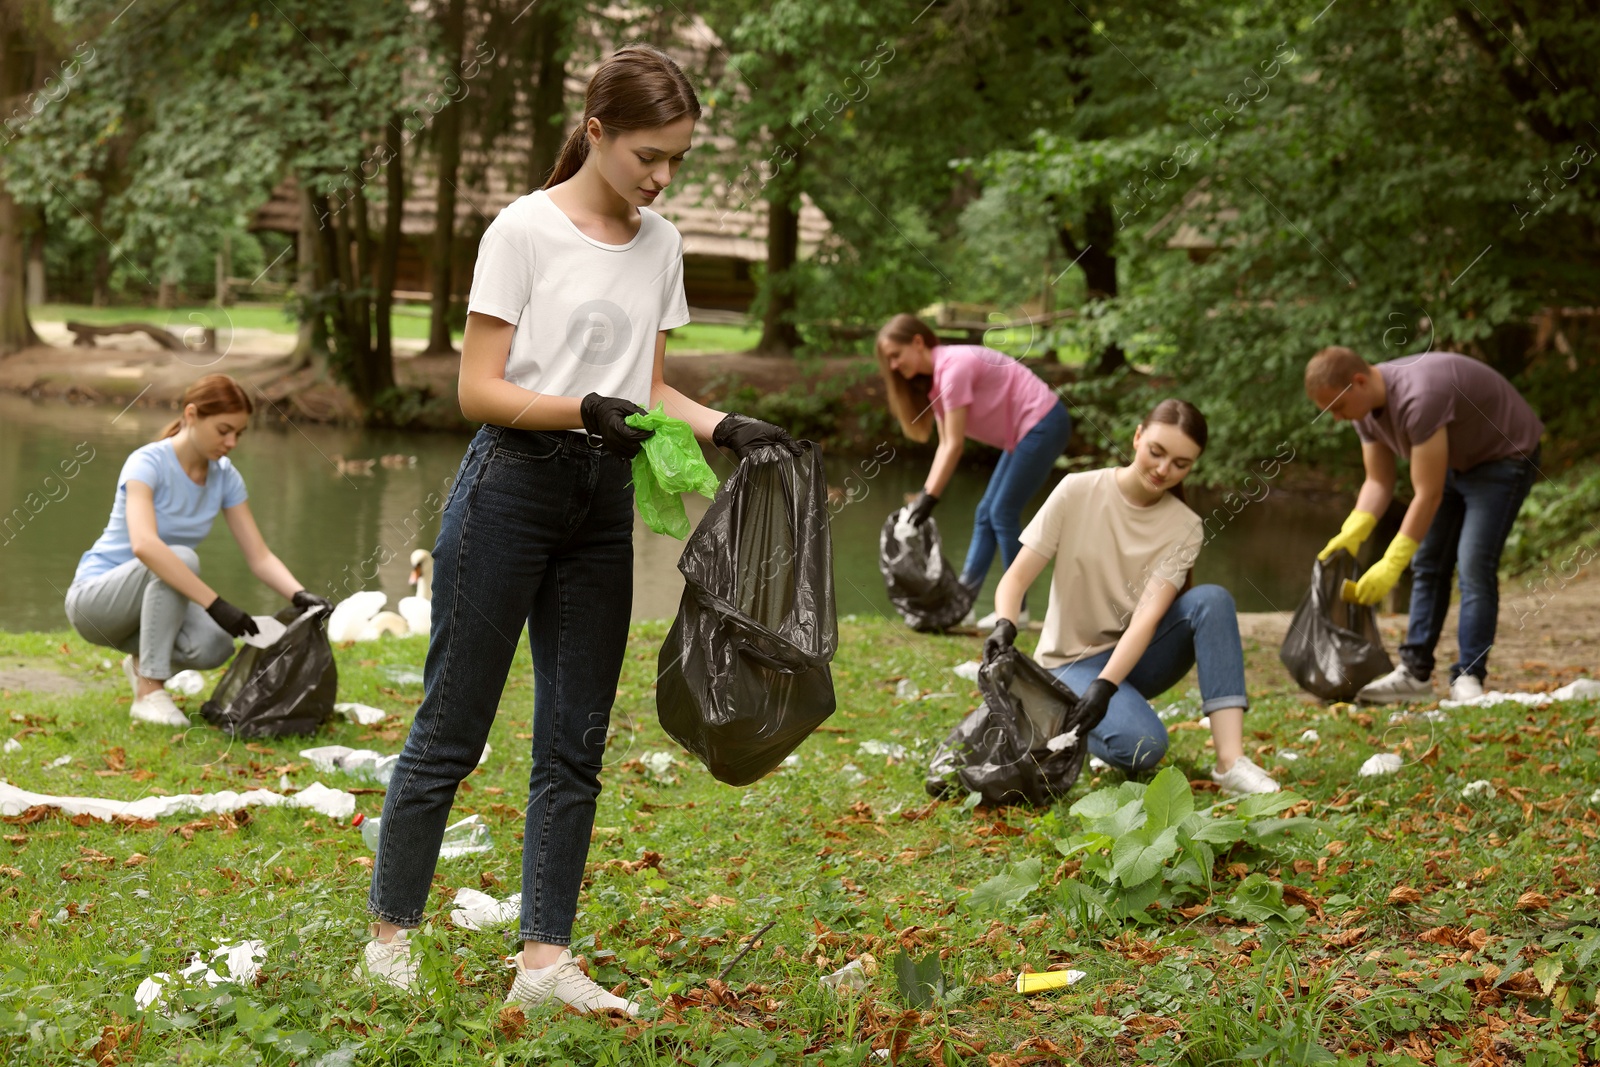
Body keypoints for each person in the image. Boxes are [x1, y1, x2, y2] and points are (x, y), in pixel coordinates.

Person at [360, 45, 799, 1015]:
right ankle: (389, 936)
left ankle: (545, 962)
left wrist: (724, 426)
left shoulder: (665, 243)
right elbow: (479, 389)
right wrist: (579, 409)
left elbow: (645, 385)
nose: (662, 176)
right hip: (510, 487)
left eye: (677, 158)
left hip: (602, 504)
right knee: (453, 725)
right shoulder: (521, 231)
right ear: (595, 130)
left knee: (576, 738)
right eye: (649, 153)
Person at [980, 399, 1279, 796]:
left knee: (1213, 600)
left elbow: (1146, 620)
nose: (1163, 469)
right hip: (1071, 662)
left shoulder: (1186, 526)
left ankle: (1230, 762)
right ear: (1137, 437)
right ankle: (1057, 714)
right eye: (1156, 452)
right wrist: (1006, 622)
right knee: (1145, 749)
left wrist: (1106, 686)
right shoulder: (1076, 490)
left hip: (1134, 658)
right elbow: (1015, 578)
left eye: (1180, 463)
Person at [64, 374, 331, 728]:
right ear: (192, 415)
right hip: (96, 603)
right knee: (182, 558)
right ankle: (148, 693)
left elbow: (259, 555)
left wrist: (300, 595)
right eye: (223, 430)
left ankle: (143, 665)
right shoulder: (146, 463)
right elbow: (144, 545)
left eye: (239, 433)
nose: (232, 441)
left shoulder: (225, 478)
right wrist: (217, 605)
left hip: (148, 603)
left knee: (216, 644)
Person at [1305, 347, 1543, 703]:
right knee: (1428, 563)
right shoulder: (1363, 410)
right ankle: (1415, 674)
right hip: (1454, 462)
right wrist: (1350, 534)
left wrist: (1390, 563)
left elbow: (1427, 494)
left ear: (1358, 382)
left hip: (1504, 457)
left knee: (1474, 564)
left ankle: (1468, 676)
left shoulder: (1420, 397)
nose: (1337, 418)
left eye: (1337, 408)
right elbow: (1379, 482)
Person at [875, 314, 1072, 626]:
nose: (895, 366)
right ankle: (962, 603)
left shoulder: (953, 368)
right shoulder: (939, 379)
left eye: (896, 356)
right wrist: (924, 498)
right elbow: (945, 445)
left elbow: (954, 445)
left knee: (1003, 512)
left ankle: (1015, 609)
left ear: (917, 342)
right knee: (986, 512)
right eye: (889, 361)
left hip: (1043, 422)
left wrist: (929, 499)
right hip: (1025, 432)